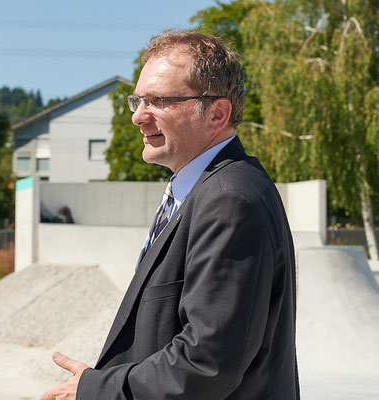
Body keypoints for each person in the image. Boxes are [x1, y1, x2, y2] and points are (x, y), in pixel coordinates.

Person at [40, 30, 300, 400]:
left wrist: (100, 390)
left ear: (216, 113)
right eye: (138, 100)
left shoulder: (230, 200)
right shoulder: (204, 190)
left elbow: (207, 363)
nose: (138, 117)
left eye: (158, 101)